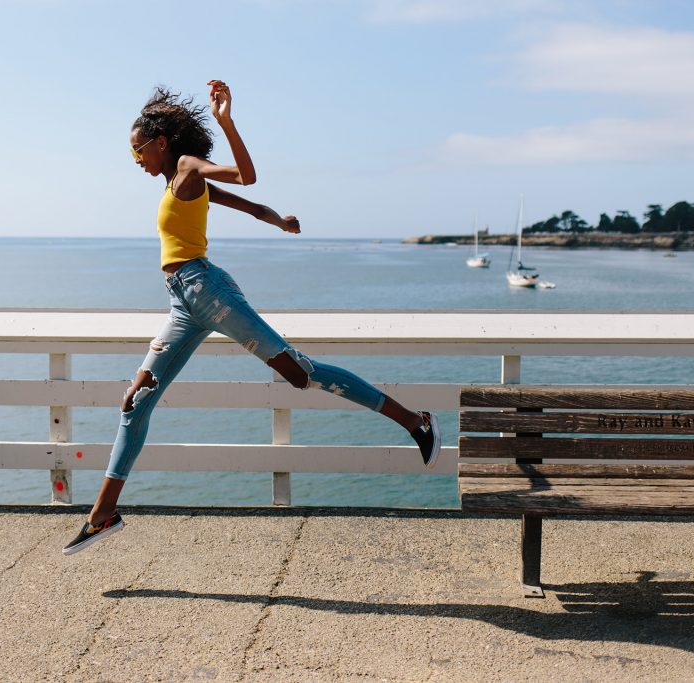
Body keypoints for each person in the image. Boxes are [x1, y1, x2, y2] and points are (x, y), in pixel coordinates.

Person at [63, 81, 440, 555]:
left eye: (138, 149)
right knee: (136, 400)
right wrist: (280, 221)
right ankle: (102, 515)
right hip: (184, 302)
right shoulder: (180, 184)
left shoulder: (185, 167)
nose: (135, 158)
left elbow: (246, 176)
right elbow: (253, 205)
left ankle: (415, 421)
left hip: (209, 292)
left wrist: (226, 121)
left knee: (301, 375)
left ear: (160, 143)